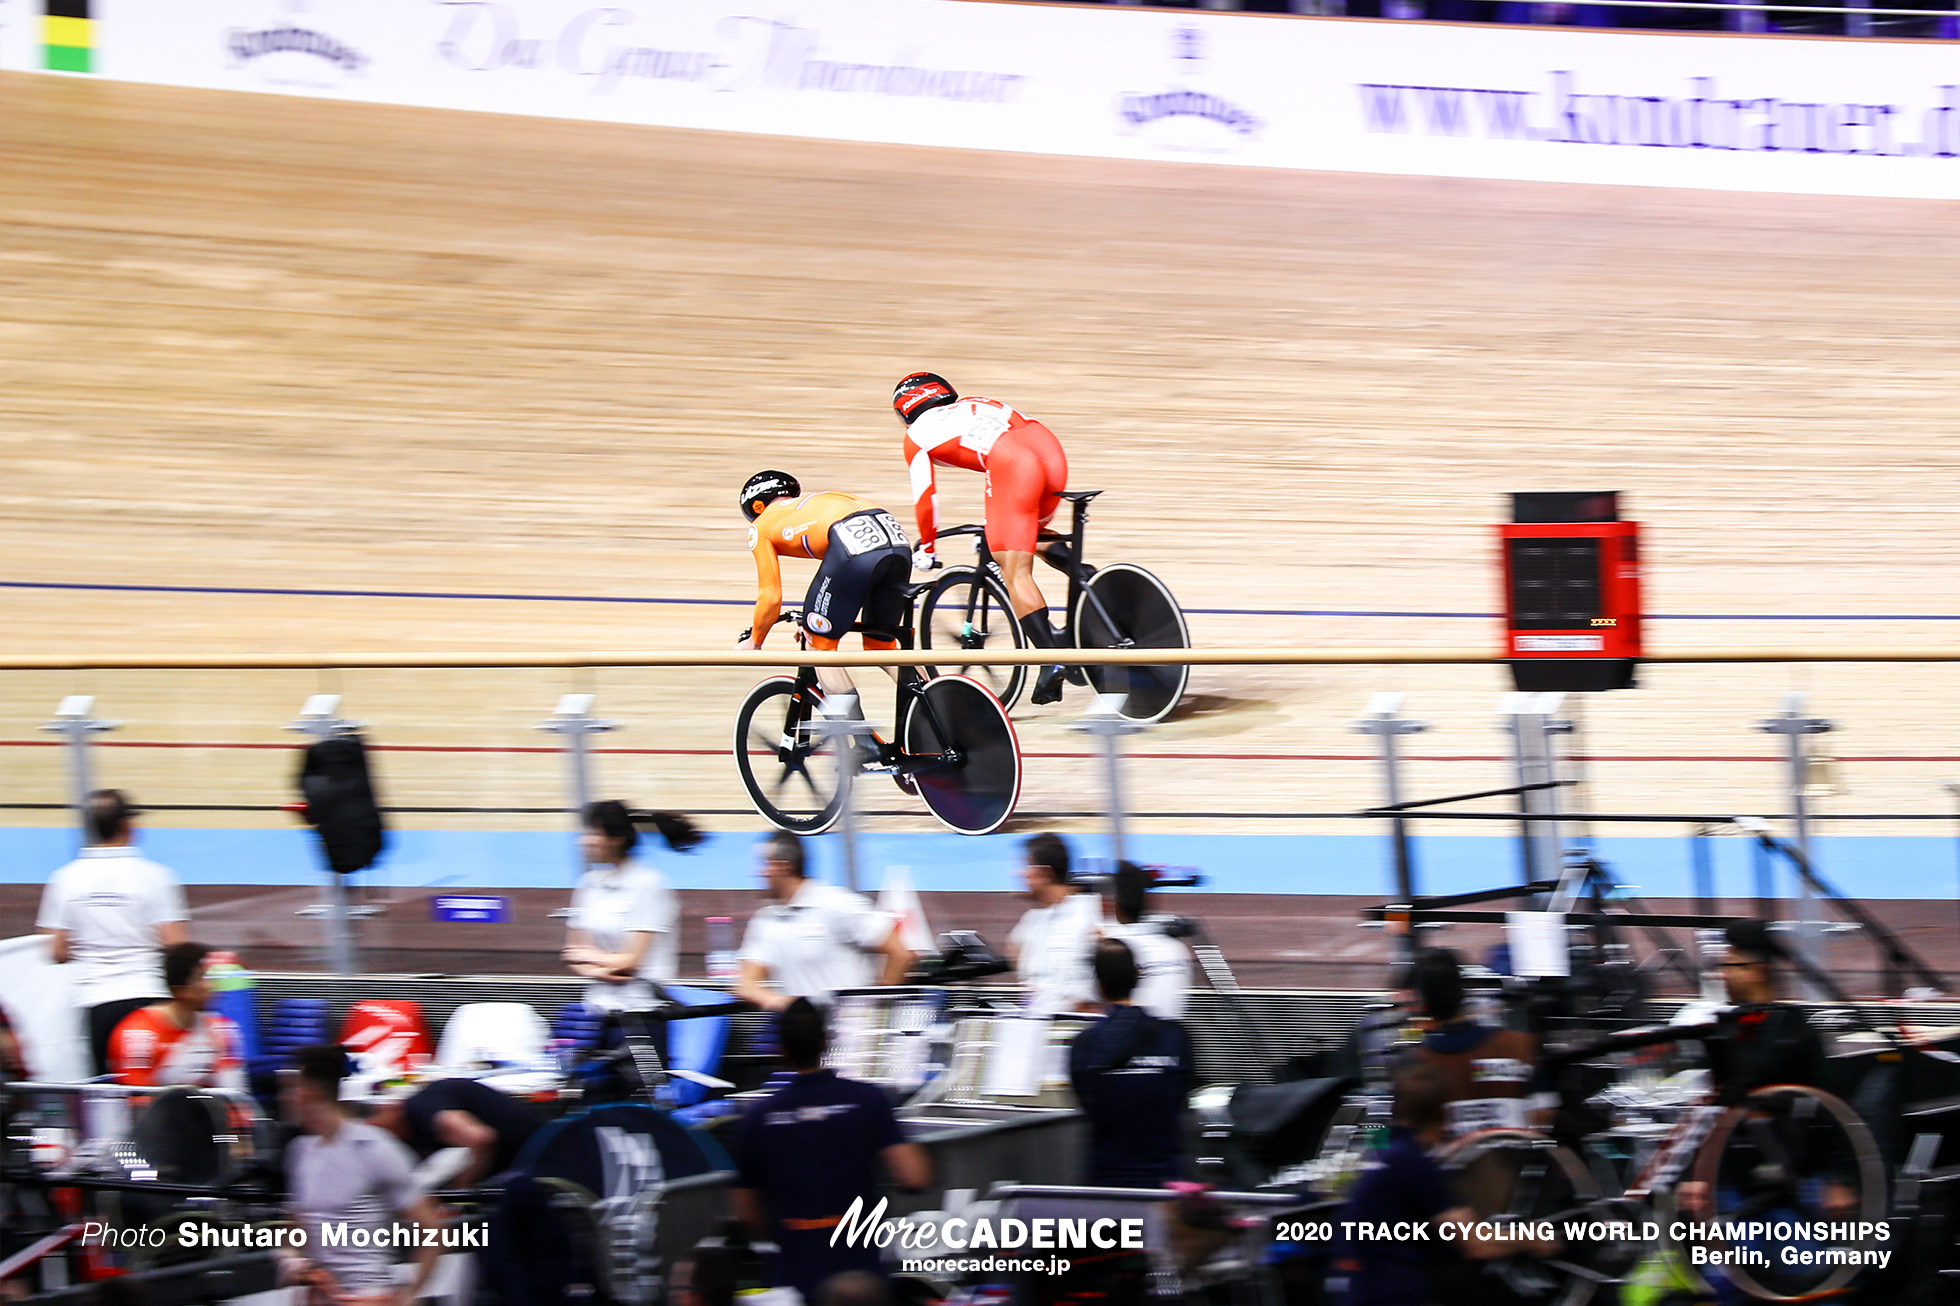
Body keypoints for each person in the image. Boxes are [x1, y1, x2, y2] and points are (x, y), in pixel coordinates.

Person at [891, 372, 1079, 704]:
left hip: (1013, 461)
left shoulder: (916, 435)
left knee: (1013, 567)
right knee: (1023, 534)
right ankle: (1088, 580)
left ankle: (1052, 660)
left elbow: (925, 498)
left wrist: (929, 546)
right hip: (1047, 447)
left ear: (906, 408)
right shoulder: (973, 403)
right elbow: (1016, 429)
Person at [729, 999, 930, 1302]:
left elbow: (747, 1215)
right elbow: (914, 1176)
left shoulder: (757, 1118)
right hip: (861, 1276)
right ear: (825, 1040)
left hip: (795, 1277)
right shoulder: (868, 1100)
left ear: (780, 1051)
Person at [1332, 1063, 1557, 1306]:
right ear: (1443, 1115)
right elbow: (1477, 1244)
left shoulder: (1385, 1153)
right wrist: (1534, 1238)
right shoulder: (1412, 1163)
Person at [36, 790, 190, 1076]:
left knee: (107, 1101)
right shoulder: (157, 876)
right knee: (153, 1096)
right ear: (126, 826)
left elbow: (55, 951)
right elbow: (177, 948)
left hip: (97, 1003)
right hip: (150, 999)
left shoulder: (64, 879)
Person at [737, 470, 912, 717]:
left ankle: (857, 736)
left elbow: (770, 594)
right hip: (895, 539)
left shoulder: (761, 526)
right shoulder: (814, 503)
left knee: (819, 647)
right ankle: (939, 707)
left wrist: (756, 640)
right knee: (880, 644)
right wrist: (814, 616)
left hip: (854, 547)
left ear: (757, 506)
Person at [279, 1046, 445, 1306]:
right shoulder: (300, 1151)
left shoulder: (375, 1148)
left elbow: (432, 1229)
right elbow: (294, 1230)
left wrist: (410, 1294)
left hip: (368, 1297)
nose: (283, 1098)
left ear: (309, 1093)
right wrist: (295, 1262)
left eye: (290, 1089)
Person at [734, 833, 912, 1011]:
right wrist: (787, 1006)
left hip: (847, 1033)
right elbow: (747, 983)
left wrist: (876, 1009)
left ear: (783, 867)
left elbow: (900, 953)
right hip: (801, 1033)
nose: (759, 872)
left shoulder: (837, 904)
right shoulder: (766, 921)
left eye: (765, 864)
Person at [1068, 938, 1191, 1188]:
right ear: (1137, 977)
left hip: (1107, 1184)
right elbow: (1179, 1098)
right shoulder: (1176, 1037)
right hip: (1166, 1185)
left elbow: (1089, 1106)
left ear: (1099, 986)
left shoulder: (1084, 1045)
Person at [562, 801, 701, 1013]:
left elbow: (631, 960)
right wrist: (600, 968)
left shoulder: (648, 885)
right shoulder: (588, 883)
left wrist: (588, 957)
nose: (584, 841)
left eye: (594, 834)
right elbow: (573, 953)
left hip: (642, 1011)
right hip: (596, 1008)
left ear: (616, 840)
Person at [1401, 948, 1541, 1137]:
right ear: (1463, 991)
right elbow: (1547, 1116)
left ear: (1420, 1002)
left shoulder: (1413, 1065)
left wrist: (1371, 1147)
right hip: (1521, 1162)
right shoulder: (1522, 1046)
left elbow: (1393, 1136)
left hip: (1446, 1164)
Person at [106, 941, 245, 1091]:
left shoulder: (222, 1031)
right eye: (202, 978)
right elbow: (137, 1102)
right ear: (179, 990)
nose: (211, 986)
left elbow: (234, 1098)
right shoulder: (137, 1036)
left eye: (211, 978)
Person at [365, 1076, 545, 1189]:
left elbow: (480, 1138)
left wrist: (461, 1191)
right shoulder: (405, 1140)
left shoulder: (423, 1107)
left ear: (390, 1107)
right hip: (520, 1163)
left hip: (540, 1157)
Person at [1007, 833, 1100, 1015]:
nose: (1020, 873)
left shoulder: (1091, 913)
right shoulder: (1029, 921)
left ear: (1045, 874)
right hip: (1034, 1024)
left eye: (1026, 865)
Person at [1102, 860, 1193, 1021]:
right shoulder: (1177, 949)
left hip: (1129, 1037)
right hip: (1170, 1037)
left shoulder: (1112, 946)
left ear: (1115, 905)